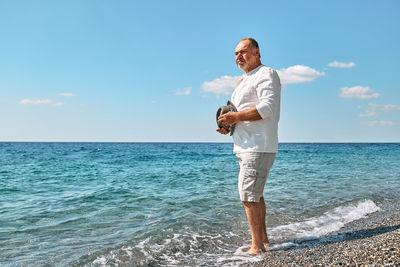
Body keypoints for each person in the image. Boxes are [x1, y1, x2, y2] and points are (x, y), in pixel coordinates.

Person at [217, 38, 281, 254]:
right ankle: (263, 241)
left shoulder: (266, 74)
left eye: (243, 52)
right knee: (256, 195)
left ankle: (256, 248)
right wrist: (229, 125)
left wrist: (235, 116)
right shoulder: (243, 80)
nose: (239, 56)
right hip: (244, 146)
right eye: (236, 53)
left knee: (248, 195)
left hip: (257, 146)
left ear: (257, 52)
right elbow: (238, 113)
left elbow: (267, 108)